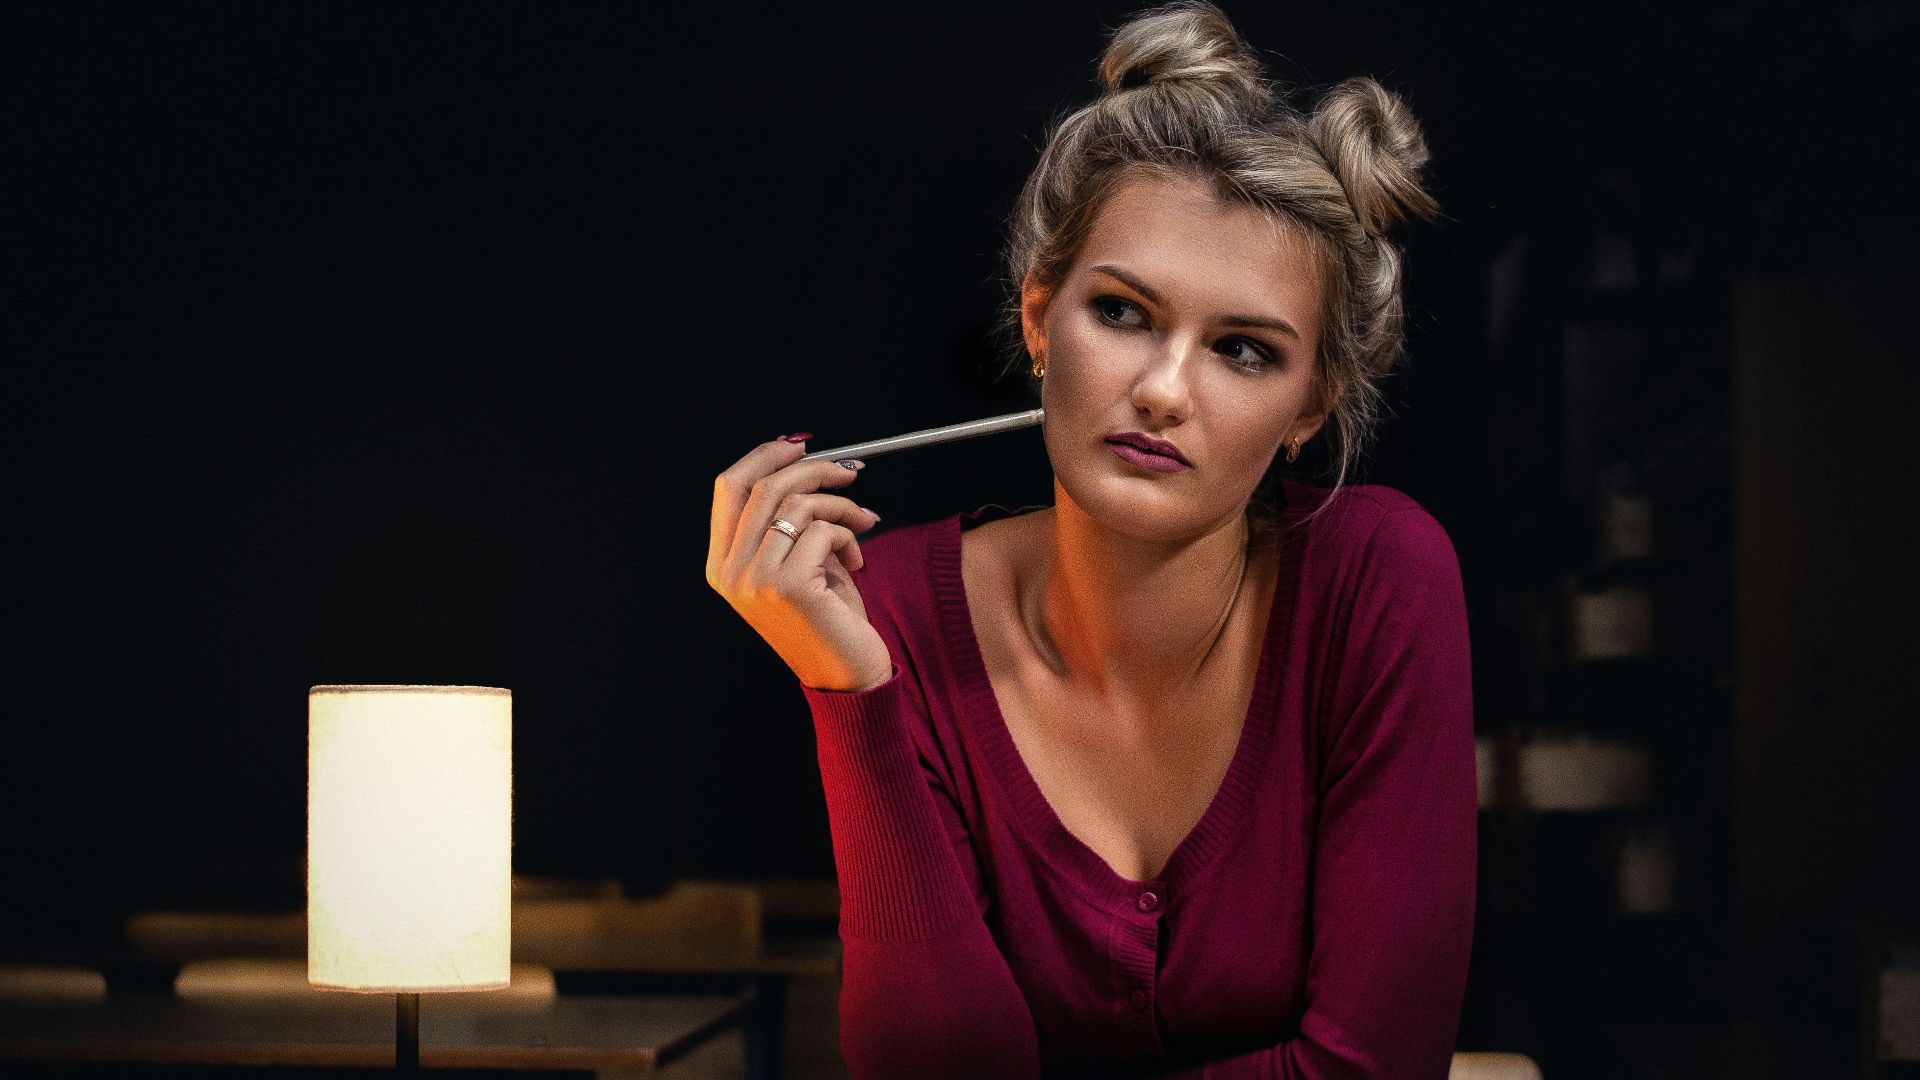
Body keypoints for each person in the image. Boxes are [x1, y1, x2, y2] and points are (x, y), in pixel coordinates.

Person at [706, 2, 1475, 1075]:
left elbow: (1374, 1069)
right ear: (1036, 317)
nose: (1161, 391)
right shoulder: (884, 612)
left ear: (1312, 407)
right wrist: (852, 695)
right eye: (1121, 313)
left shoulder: (1379, 579)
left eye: (1245, 351)